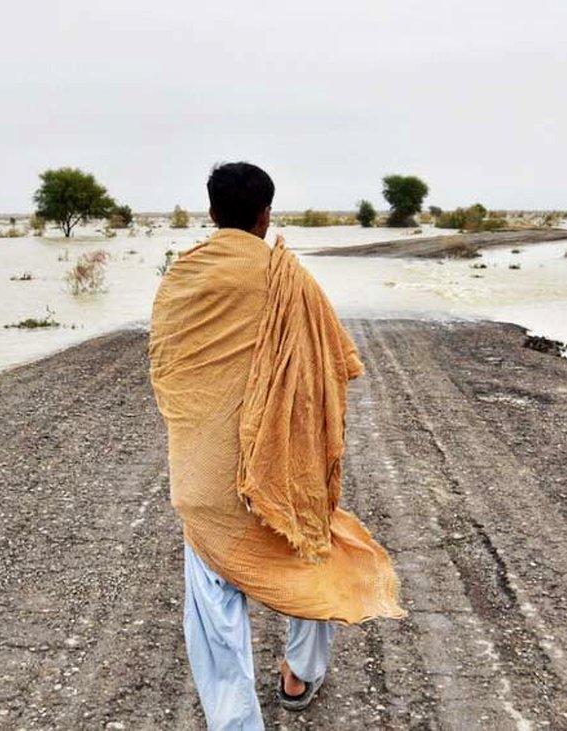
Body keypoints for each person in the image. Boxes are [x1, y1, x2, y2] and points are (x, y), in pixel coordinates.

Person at [149, 162, 404, 730]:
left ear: (212, 213)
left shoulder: (181, 277)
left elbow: (166, 367)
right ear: (266, 215)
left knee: (215, 616)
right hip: (278, 469)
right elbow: (335, 363)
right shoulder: (291, 279)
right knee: (312, 546)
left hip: (204, 476)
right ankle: (298, 675)